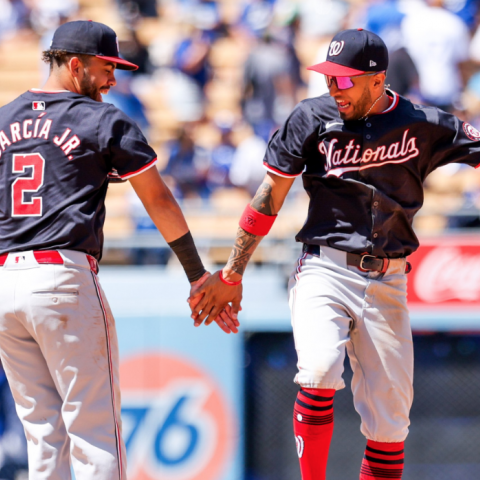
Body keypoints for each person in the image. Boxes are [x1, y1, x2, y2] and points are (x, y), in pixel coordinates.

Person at [189, 28, 480, 480]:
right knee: (320, 369)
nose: (332, 87)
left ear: (378, 80)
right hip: (325, 267)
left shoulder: (424, 121)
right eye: (329, 77)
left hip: (390, 276)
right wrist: (232, 273)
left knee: (389, 424)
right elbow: (268, 199)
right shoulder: (310, 118)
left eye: (343, 79)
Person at [0, 20, 238, 480]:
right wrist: (197, 276)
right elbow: (159, 200)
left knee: (43, 436)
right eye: (106, 66)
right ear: (75, 65)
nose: (113, 78)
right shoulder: (101, 119)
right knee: (94, 433)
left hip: (6, 281)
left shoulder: (4, 118)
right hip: (61, 279)